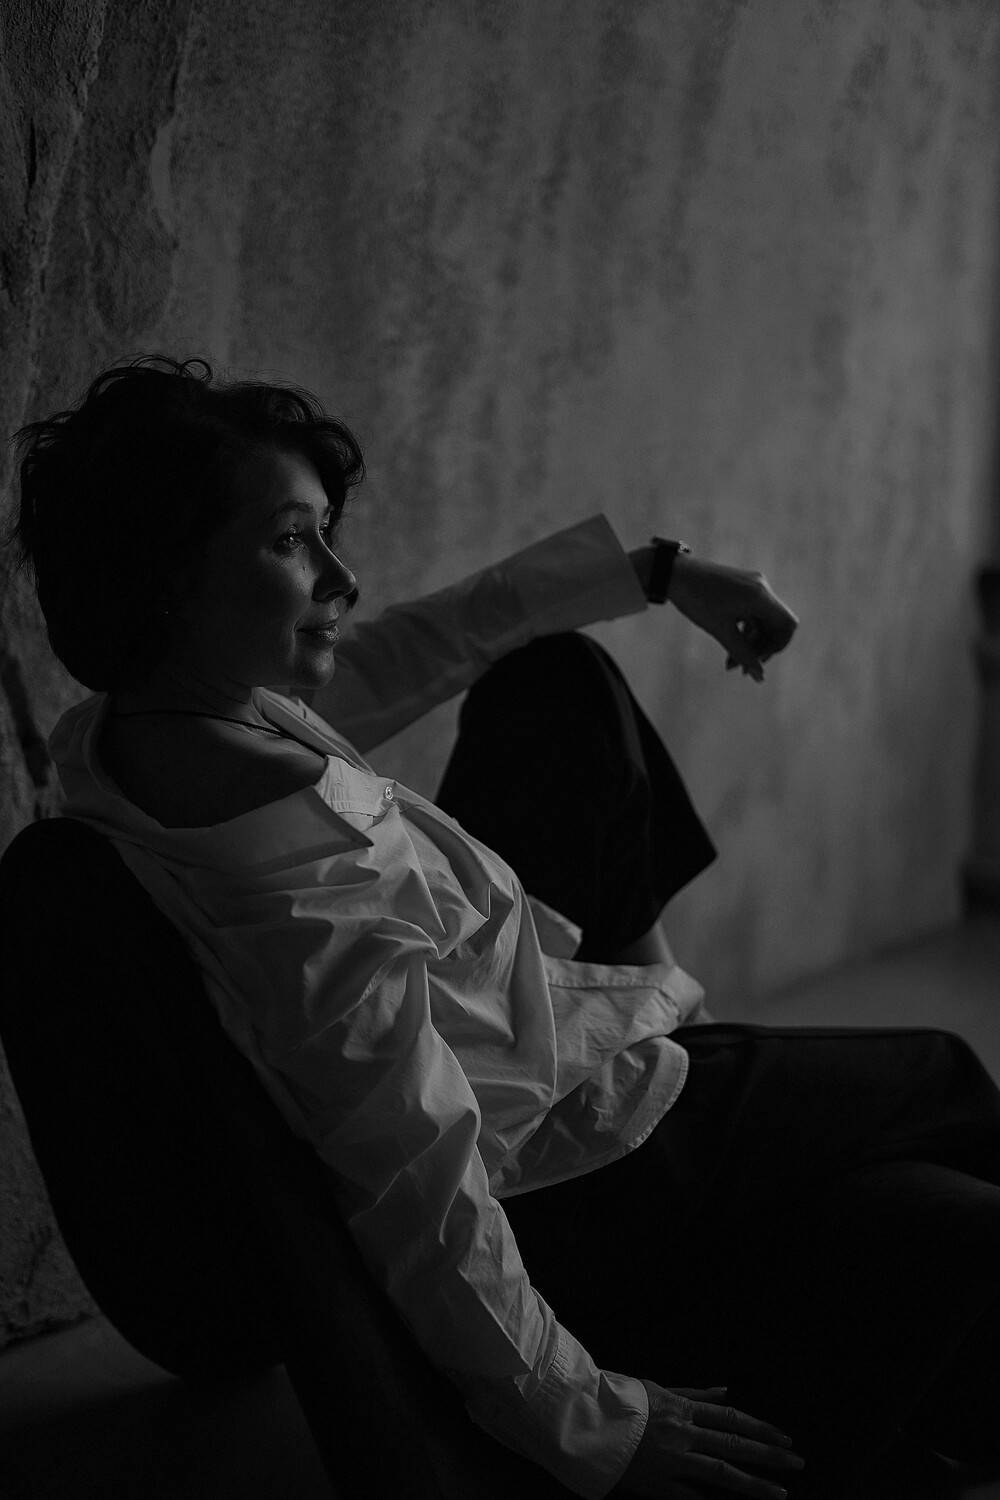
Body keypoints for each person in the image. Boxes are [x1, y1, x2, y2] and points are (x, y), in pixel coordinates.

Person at [7, 355, 1000, 1500]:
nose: (342, 576)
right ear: (168, 577)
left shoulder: (152, 733)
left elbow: (419, 645)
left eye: (326, 534)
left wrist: (656, 572)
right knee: (941, 1078)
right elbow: (415, 1176)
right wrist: (594, 1427)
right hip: (565, 1165)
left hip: (535, 1060)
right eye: (290, 542)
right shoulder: (298, 873)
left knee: (558, 682)